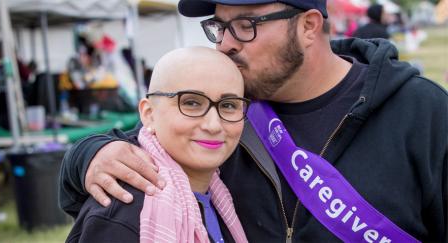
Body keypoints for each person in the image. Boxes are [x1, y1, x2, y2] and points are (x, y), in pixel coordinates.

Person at [59, 0, 448, 242]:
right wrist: (91, 155)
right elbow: (123, 153)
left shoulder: (422, 112)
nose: (225, 43)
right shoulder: (221, 112)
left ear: (309, 26)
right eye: (220, 26)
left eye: (246, 25)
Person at [65, 47, 249, 243]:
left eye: (229, 105)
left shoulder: (224, 198)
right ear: (149, 114)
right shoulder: (123, 212)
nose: (213, 125)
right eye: (192, 103)